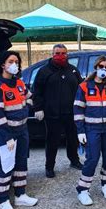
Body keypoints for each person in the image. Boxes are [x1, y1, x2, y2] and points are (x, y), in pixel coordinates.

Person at [0, 51, 38, 209]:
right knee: (5, 168)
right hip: (6, 134)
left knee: (21, 164)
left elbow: (30, 97)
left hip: (22, 130)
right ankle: (2, 201)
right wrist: (7, 137)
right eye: (11, 61)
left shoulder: (19, 83)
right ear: (3, 64)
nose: (15, 64)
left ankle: (20, 195)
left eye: (17, 61)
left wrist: (30, 107)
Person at [73, 56, 106, 206]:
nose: (104, 70)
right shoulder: (84, 86)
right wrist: (80, 130)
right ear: (96, 67)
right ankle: (83, 190)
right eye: (101, 66)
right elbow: (78, 109)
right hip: (92, 128)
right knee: (92, 158)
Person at [32, 44, 83, 178]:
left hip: (71, 113)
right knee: (52, 141)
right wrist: (38, 108)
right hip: (52, 113)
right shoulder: (44, 71)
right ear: (52, 54)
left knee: (73, 139)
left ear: (67, 54)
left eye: (63, 53)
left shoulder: (73, 70)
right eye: (57, 53)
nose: (60, 56)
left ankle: (74, 160)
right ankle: (49, 167)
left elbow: (81, 89)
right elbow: (36, 92)